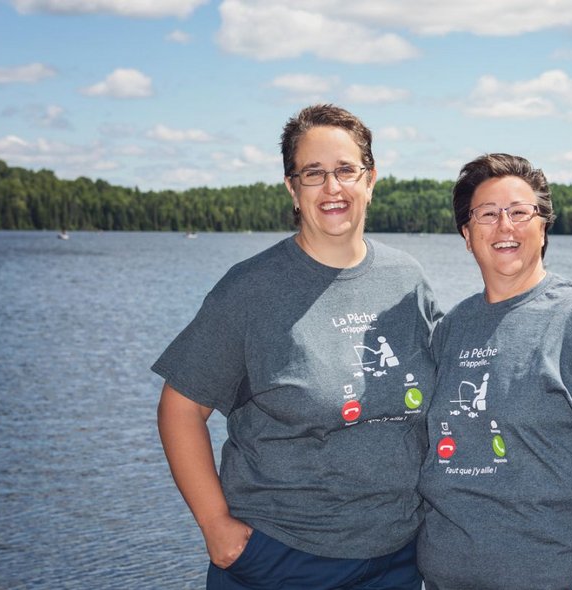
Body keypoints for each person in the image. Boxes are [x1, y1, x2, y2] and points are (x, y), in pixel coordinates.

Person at [153, 104, 440, 589]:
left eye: (346, 170)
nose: (333, 188)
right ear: (292, 187)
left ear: (370, 179)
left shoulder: (406, 280)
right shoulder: (250, 289)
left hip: (396, 557)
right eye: (314, 174)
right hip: (281, 558)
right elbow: (179, 408)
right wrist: (216, 527)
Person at [417, 153, 572, 590]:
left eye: (520, 212)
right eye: (487, 214)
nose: (505, 227)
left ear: (542, 227)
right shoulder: (452, 328)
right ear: (466, 233)